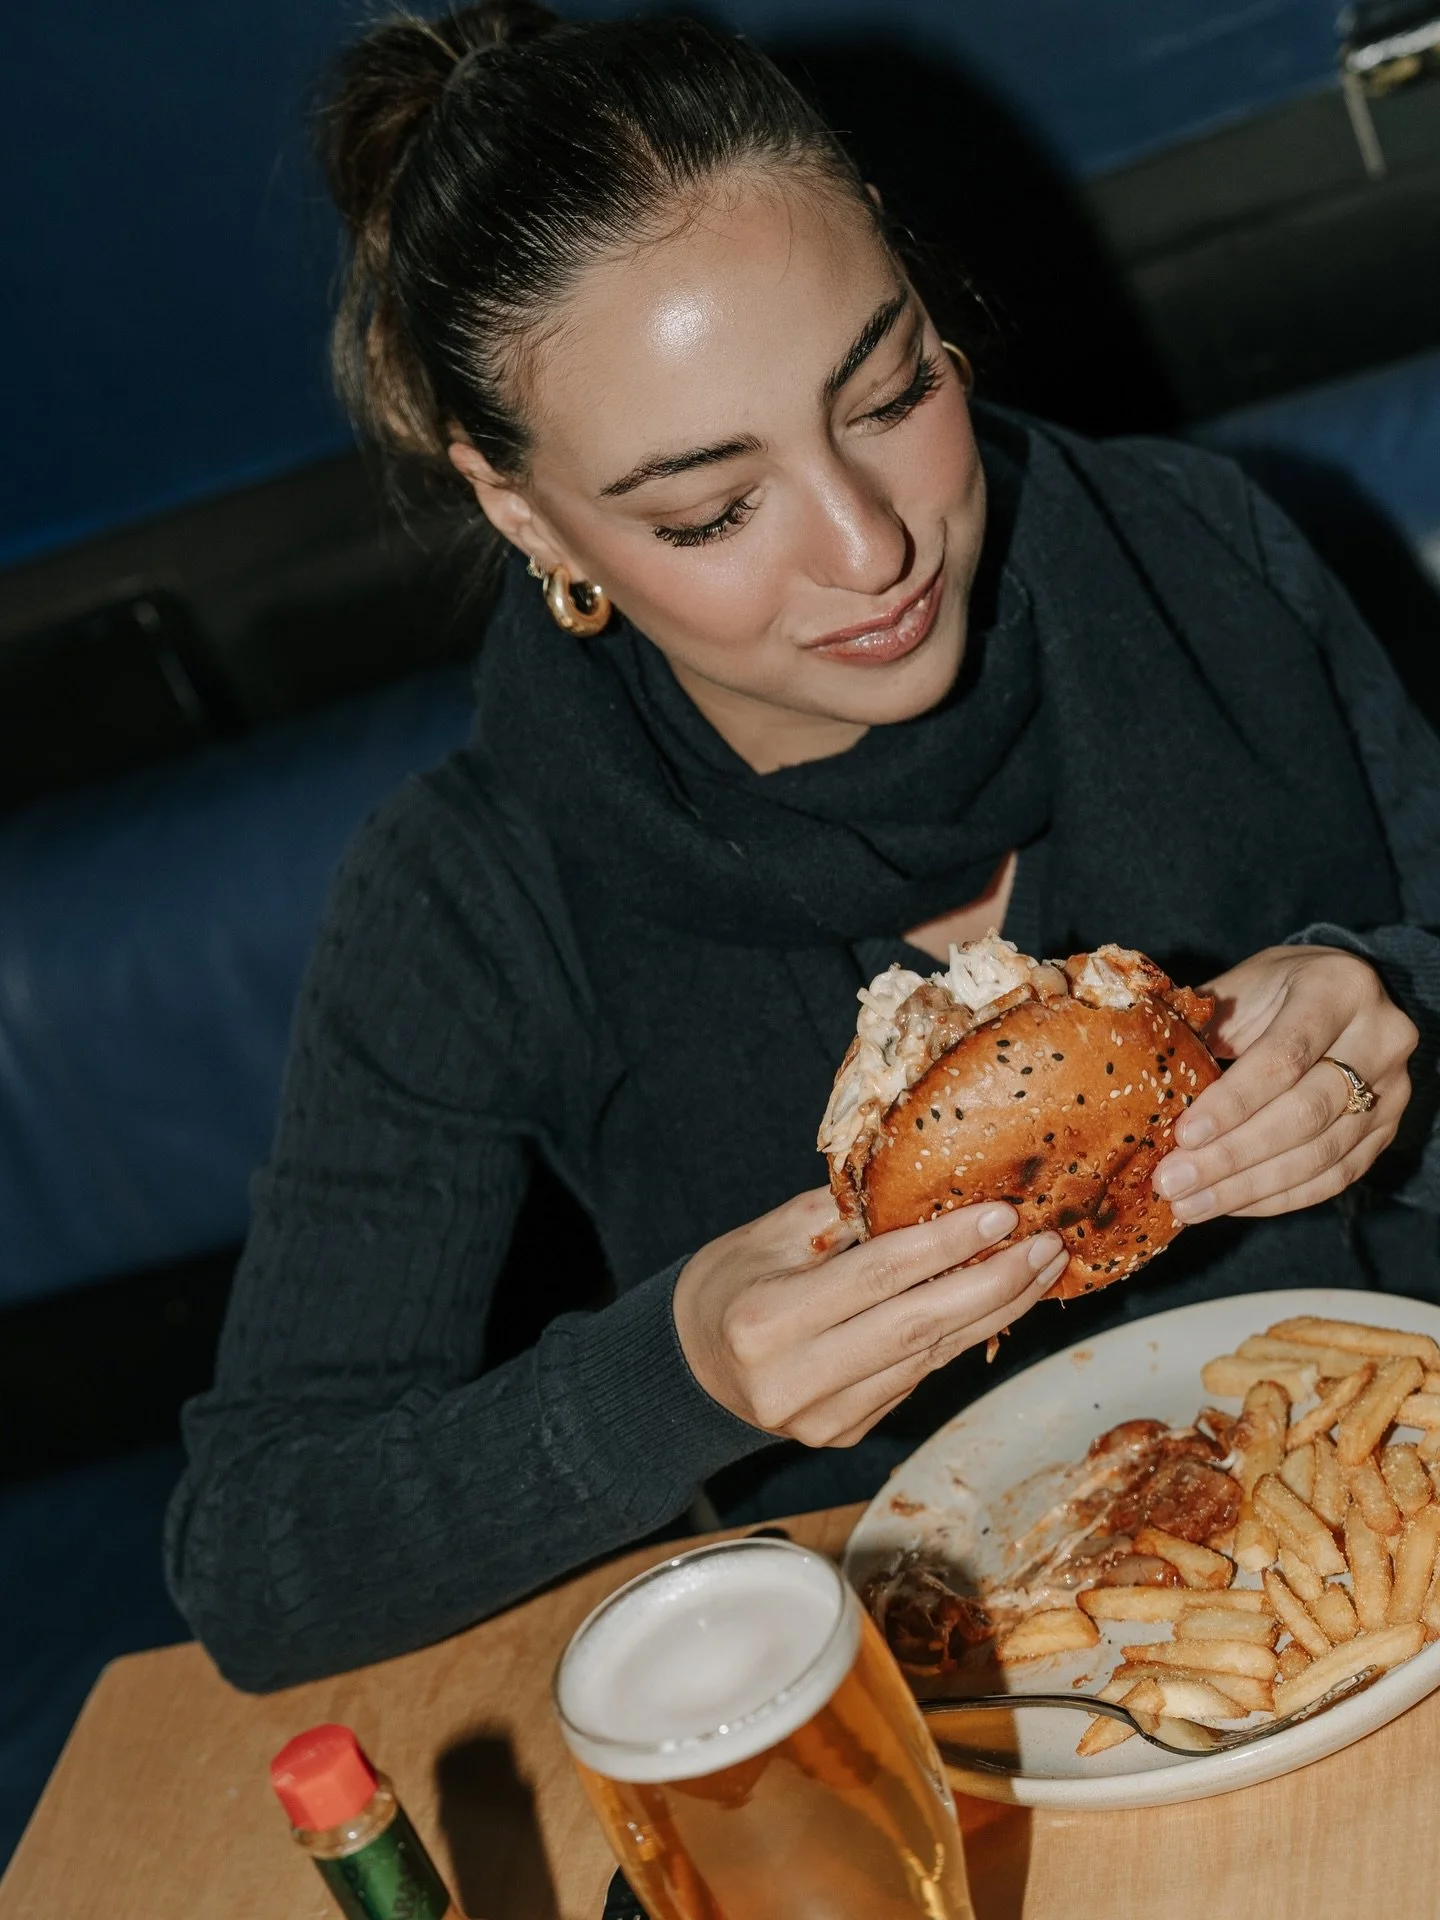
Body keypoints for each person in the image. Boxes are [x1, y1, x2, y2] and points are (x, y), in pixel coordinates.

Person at [165, 1, 1440, 1692]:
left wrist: (1389, 1002)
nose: (872, 544)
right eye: (709, 509)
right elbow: (254, 1558)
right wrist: (675, 1374)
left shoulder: (1204, 553)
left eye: (891, 386)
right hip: (953, 1709)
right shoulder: (471, 896)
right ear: (525, 511)